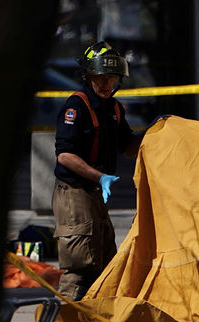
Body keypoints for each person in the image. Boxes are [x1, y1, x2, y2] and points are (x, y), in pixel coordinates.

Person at [53, 41, 143, 300]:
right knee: (80, 267)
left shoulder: (113, 108)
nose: (107, 84)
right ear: (88, 76)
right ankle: (62, 321)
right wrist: (100, 177)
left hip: (95, 193)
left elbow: (128, 147)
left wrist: (156, 133)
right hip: (74, 193)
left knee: (104, 264)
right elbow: (65, 155)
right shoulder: (76, 107)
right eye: (101, 78)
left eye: (112, 78)